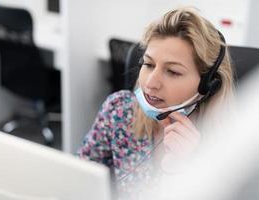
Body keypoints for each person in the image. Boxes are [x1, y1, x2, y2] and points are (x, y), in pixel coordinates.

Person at [77, 7, 234, 199]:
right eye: (149, 64)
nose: (150, 83)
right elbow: (79, 176)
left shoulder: (230, 143)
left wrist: (181, 168)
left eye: (173, 72)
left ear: (209, 85)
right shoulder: (119, 110)